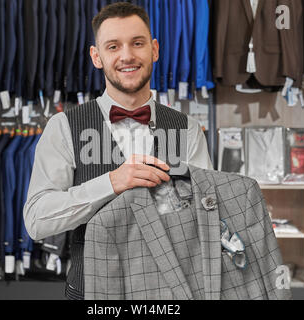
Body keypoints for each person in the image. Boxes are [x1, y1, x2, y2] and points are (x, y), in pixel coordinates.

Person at [23, 2, 213, 300]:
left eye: (137, 43)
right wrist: (111, 183)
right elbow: (37, 221)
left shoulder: (185, 129)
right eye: (113, 46)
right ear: (97, 57)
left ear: (154, 50)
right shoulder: (63, 127)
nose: (127, 56)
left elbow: (207, 218)